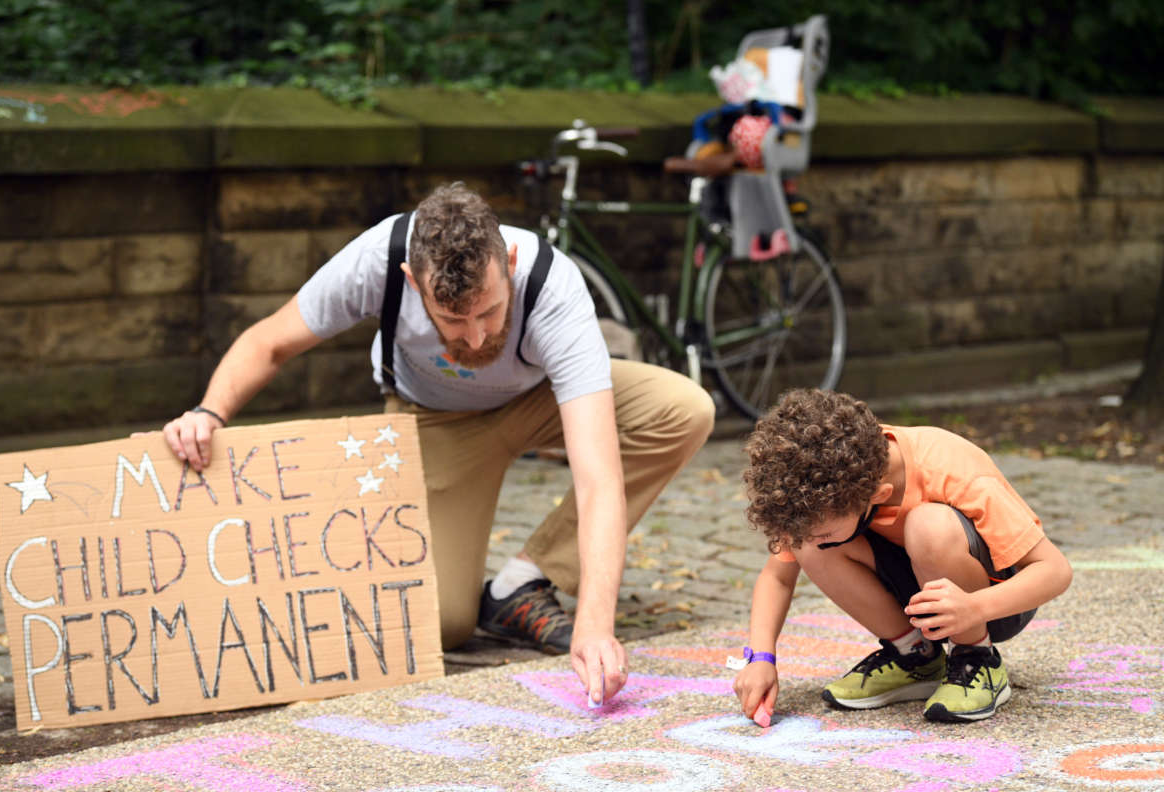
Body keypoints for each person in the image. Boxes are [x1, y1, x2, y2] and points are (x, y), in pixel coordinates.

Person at [162, 182, 715, 705]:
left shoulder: (551, 283)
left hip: (542, 399)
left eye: (491, 311)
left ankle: (524, 580)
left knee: (683, 410)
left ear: (511, 266)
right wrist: (210, 411)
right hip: (435, 419)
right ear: (410, 277)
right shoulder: (378, 260)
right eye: (452, 318)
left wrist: (596, 623)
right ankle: (485, 602)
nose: (475, 337)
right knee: (446, 623)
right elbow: (269, 342)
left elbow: (598, 478)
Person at [732, 389, 1072, 723]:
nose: (815, 537)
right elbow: (777, 577)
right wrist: (761, 658)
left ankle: (976, 658)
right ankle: (916, 657)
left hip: (993, 600)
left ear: (878, 495)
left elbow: (1055, 570)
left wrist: (975, 608)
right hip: (923, 593)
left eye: (826, 531)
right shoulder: (822, 483)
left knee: (928, 525)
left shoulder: (947, 467)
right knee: (809, 544)